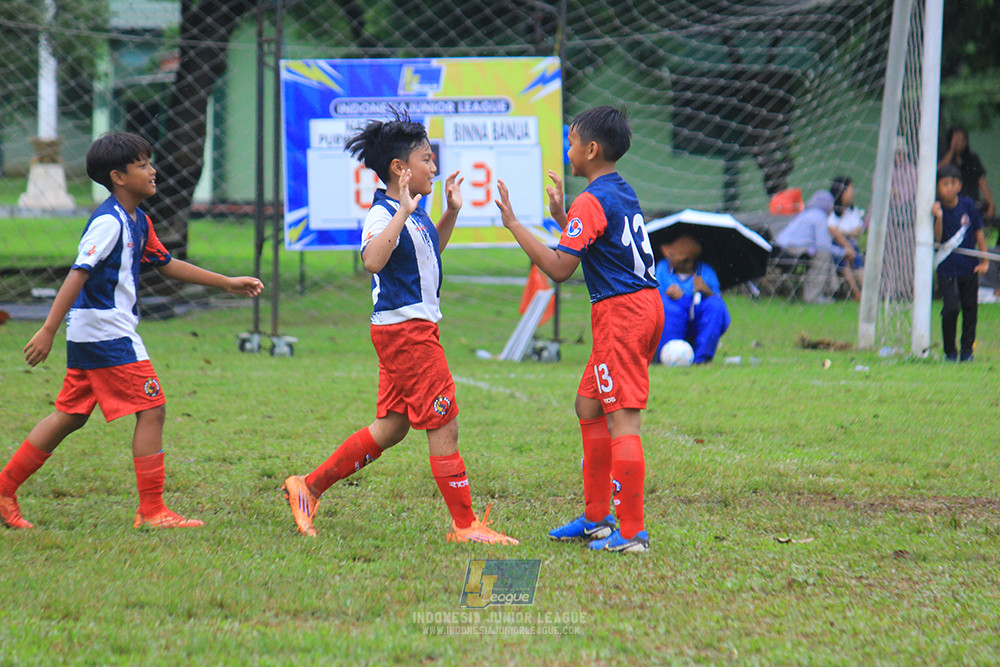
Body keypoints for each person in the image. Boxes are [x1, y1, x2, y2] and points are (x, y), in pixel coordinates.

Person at [0, 132, 264, 530]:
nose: (152, 170)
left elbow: (166, 263)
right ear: (118, 177)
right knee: (152, 408)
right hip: (106, 332)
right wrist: (48, 329)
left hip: (97, 330)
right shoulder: (108, 222)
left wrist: (226, 282)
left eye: (149, 162)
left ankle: (4, 489)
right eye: (142, 165)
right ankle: (153, 510)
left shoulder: (138, 219)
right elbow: (77, 274)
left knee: (70, 415)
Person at [282, 111, 517, 545]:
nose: (435, 167)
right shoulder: (384, 213)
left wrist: (448, 213)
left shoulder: (412, 212)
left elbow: (430, 252)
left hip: (405, 331)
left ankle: (308, 487)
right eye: (427, 159)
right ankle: (465, 526)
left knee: (392, 426)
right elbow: (373, 259)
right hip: (407, 332)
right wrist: (403, 214)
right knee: (443, 423)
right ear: (399, 169)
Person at [495, 106, 663, 554]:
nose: (567, 150)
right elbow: (601, 241)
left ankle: (632, 532)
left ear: (591, 149)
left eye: (571, 143)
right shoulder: (617, 190)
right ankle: (596, 518)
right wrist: (563, 215)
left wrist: (514, 224)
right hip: (642, 307)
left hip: (622, 315)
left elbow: (559, 268)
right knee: (588, 405)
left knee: (623, 417)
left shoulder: (591, 200)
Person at [933, 164, 989, 362]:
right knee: (950, 307)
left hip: (969, 266)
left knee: (970, 309)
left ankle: (967, 352)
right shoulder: (936, 207)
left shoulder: (967, 205)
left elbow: (978, 233)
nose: (949, 187)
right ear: (938, 186)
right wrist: (938, 217)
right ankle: (949, 352)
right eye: (945, 183)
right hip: (947, 267)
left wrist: (984, 261)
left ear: (960, 185)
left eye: (953, 183)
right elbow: (937, 239)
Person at [654, 235, 730, 364]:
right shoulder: (662, 267)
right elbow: (653, 295)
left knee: (715, 305)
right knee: (665, 304)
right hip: (672, 320)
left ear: (687, 261)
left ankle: (702, 358)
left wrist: (706, 290)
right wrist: (666, 294)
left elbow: (718, 302)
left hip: (698, 319)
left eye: (672, 255)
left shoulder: (706, 271)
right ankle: (667, 355)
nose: (668, 257)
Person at [773, 190, 843, 303]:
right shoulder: (819, 216)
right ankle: (813, 296)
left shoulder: (806, 213)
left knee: (822, 253)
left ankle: (831, 290)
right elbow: (823, 245)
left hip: (778, 249)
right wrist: (842, 252)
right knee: (823, 255)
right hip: (791, 250)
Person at [938, 125, 995, 227]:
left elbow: (981, 181)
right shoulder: (945, 158)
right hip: (951, 204)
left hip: (971, 202)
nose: (959, 142)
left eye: (962, 139)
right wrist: (952, 150)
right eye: (956, 139)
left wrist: (990, 203)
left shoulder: (972, 159)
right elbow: (939, 170)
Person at [828, 175, 865, 300]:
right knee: (845, 257)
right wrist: (846, 240)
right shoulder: (831, 211)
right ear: (842, 192)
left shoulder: (852, 211)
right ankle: (856, 292)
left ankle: (865, 292)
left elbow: (858, 230)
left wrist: (844, 233)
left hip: (852, 246)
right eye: (850, 189)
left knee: (856, 257)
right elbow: (833, 231)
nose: (853, 193)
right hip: (836, 248)